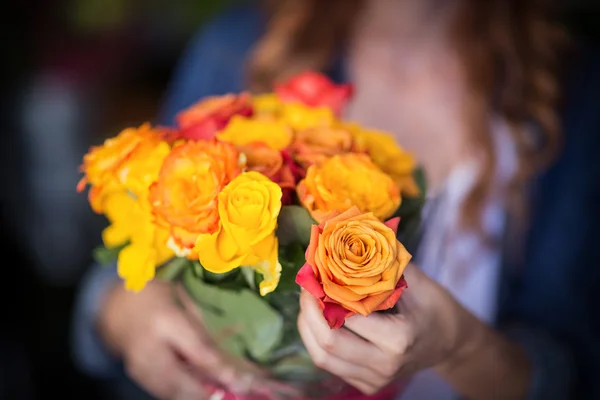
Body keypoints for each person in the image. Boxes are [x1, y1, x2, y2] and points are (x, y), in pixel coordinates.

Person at [72, 0, 600, 399]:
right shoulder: (240, 44)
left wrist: (463, 347)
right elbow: (107, 282)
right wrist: (128, 313)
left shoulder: (573, 91)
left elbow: (571, 370)